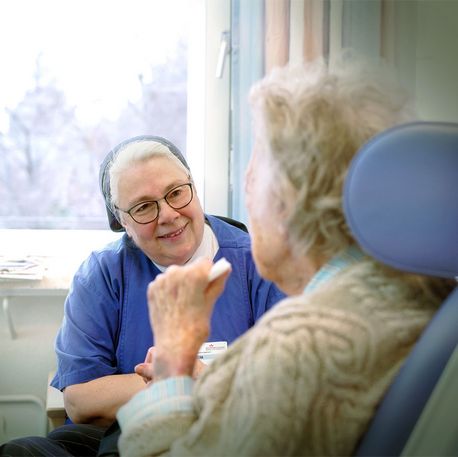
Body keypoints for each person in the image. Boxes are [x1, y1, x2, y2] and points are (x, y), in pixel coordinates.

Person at [114, 56, 454, 456]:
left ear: (288, 198)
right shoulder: (428, 296)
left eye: (255, 168)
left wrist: (171, 357)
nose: (245, 186)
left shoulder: (298, 345)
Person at [0, 136, 284, 457]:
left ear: (193, 187)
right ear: (122, 221)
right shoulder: (102, 274)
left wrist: (189, 379)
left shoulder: (262, 264)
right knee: (20, 452)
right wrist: (184, 377)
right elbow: (81, 401)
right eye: (144, 207)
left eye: (176, 192)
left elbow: (285, 387)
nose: (168, 215)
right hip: (119, 438)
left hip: (231, 436)